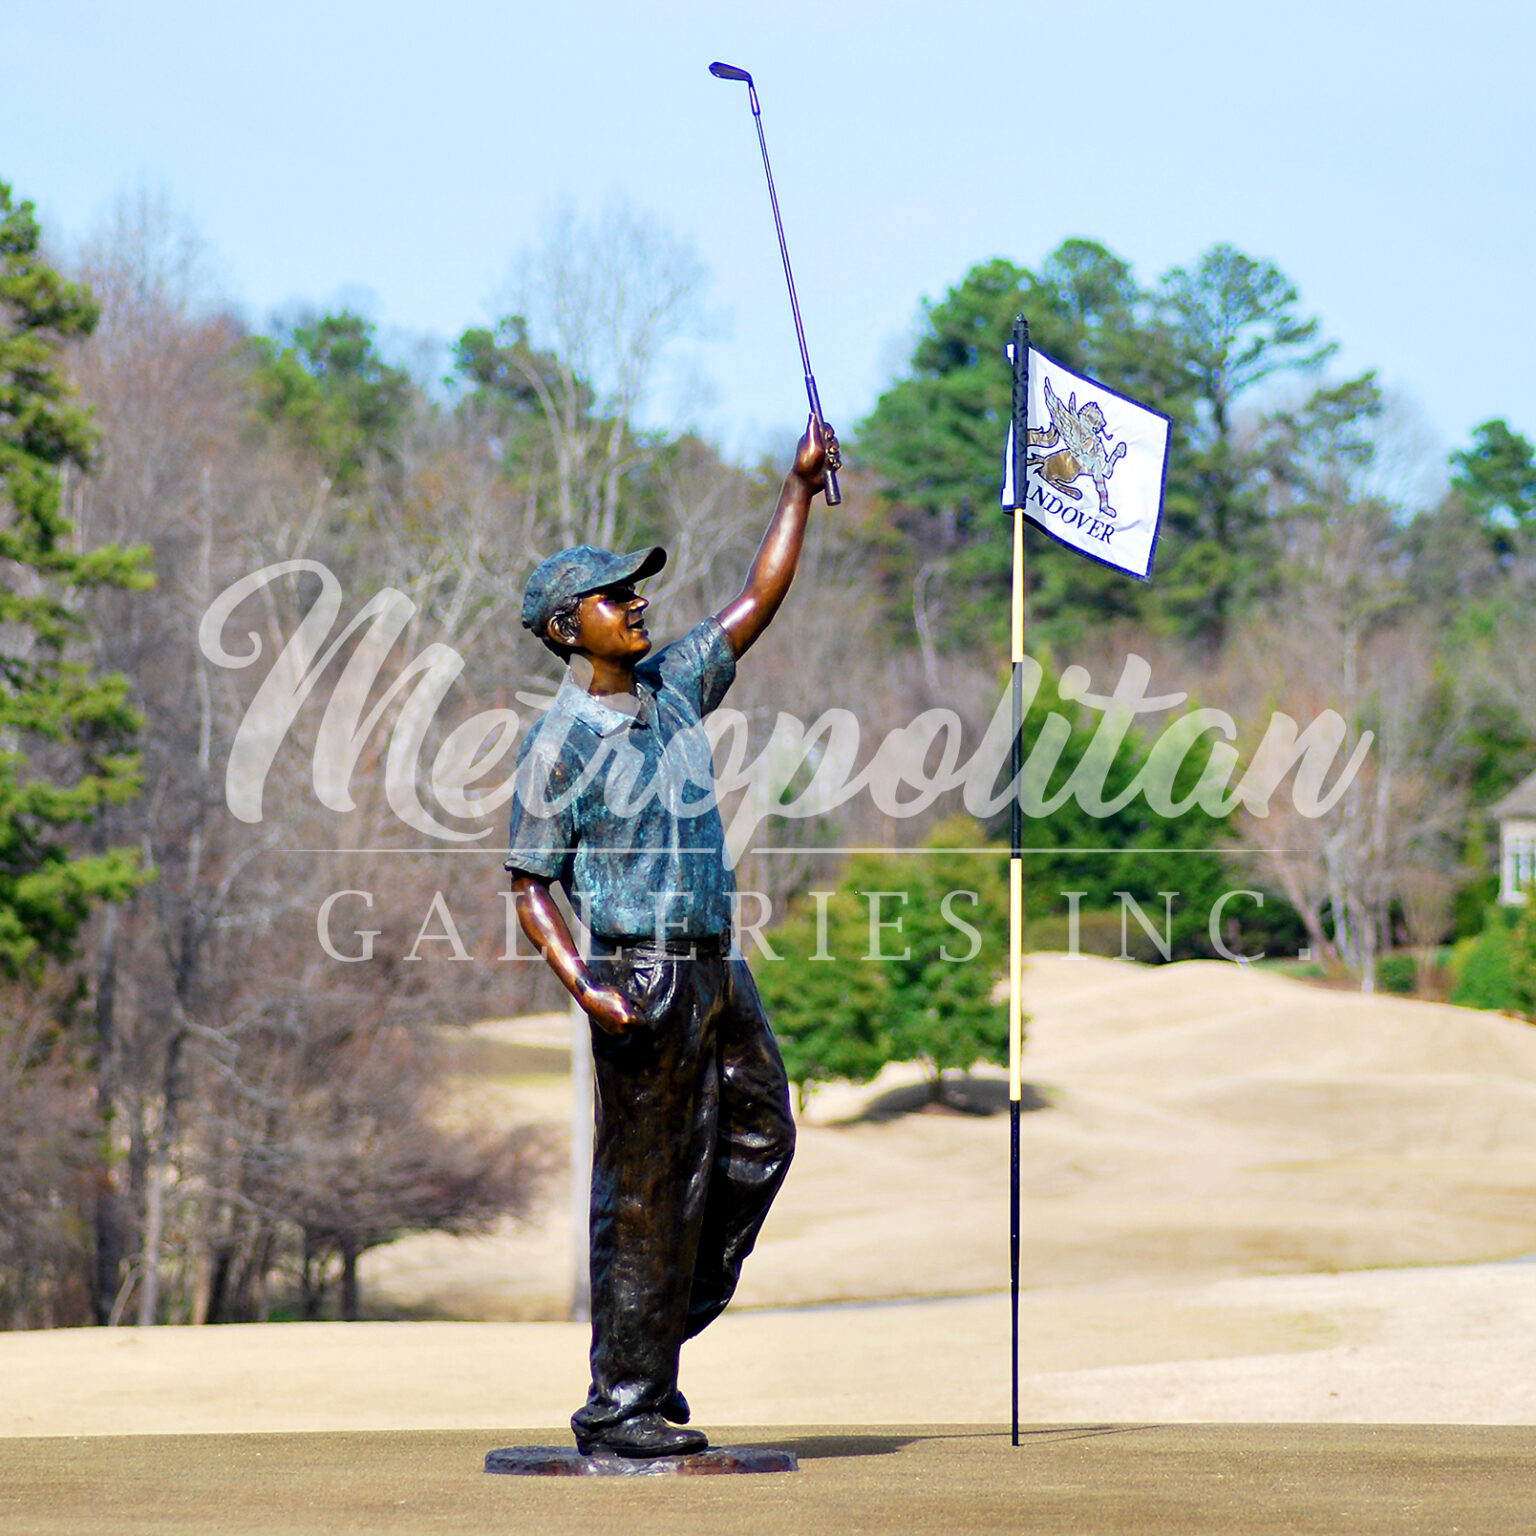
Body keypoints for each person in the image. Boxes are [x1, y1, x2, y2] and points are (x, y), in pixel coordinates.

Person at [505, 417, 838, 1458]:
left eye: (638, 588)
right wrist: (589, 991)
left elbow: (753, 604)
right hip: (636, 974)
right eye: (616, 594)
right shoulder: (557, 744)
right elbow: (529, 886)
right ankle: (623, 1401)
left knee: (759, 1140)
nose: (638, 600)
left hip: (715, 968)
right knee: (647, 1190)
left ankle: (652, 1344)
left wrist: (796, 489)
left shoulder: (672, 688)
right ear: (569, 628)